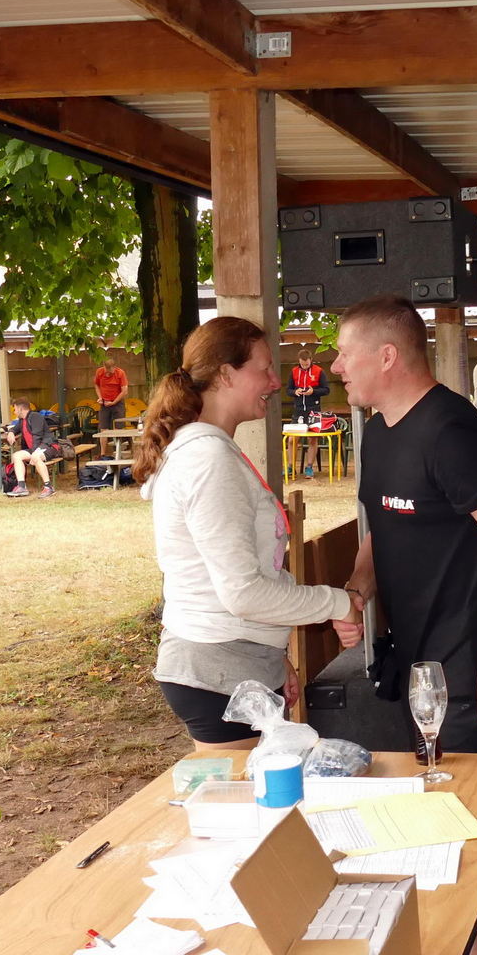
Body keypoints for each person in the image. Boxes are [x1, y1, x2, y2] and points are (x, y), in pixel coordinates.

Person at [331, 296, 477, 955]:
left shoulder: (452, 432)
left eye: (346, 353)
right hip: (416, 667)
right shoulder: (378, 431)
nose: (335, 367)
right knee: (432, 821)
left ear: (388, 356)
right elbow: (378, 528)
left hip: (472, 664)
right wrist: (359, 588)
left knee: (476, 831)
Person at [134, 316, 361, 752]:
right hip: (219, 670)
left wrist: (273, 657)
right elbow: (243, 593)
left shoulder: (210, 450)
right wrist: (338, 603)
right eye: (264, 368)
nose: (275, 382)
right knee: (246, 797)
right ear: (225, 374)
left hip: (234, 662)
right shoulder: (208, 459)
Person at [286, 347, 330, 478]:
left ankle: (309, 467)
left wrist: (313, 391)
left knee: (312, 439)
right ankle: (290, 467)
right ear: (299, 361)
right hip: (298, 410)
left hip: (313, 410)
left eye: (306, 364)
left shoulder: (319, 371)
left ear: (311, 360)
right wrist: (295, 392)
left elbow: (326, 390)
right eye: (302, 364)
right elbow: (288, 390)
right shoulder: (294, 372)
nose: (304, 366)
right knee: (292, 439)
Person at [4, 397, 62, 498]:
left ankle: (49, 487)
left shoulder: (35, 416)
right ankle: (21, 487)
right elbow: (15, 429)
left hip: (49, 446)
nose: (14, 412)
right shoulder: (22, 420)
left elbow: (37, 436)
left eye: (15, 409)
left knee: (36, 457)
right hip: (36, 448)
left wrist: (34, 453)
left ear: (20, 409)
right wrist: (11, 432)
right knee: (16, 456)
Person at [95, 354, 129, 434]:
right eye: (107, 371)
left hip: (117, 403)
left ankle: (118, 442)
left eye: (110, 371)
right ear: (104, 366)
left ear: (114, 367)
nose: (108, 373)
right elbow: (96, 385)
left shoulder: (120, 373)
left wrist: (114, 402)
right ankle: (104, 442)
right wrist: (100, 397)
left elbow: (124, 391)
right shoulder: (99, 372)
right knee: (103, 429)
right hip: (104, 403)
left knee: (119, 428)